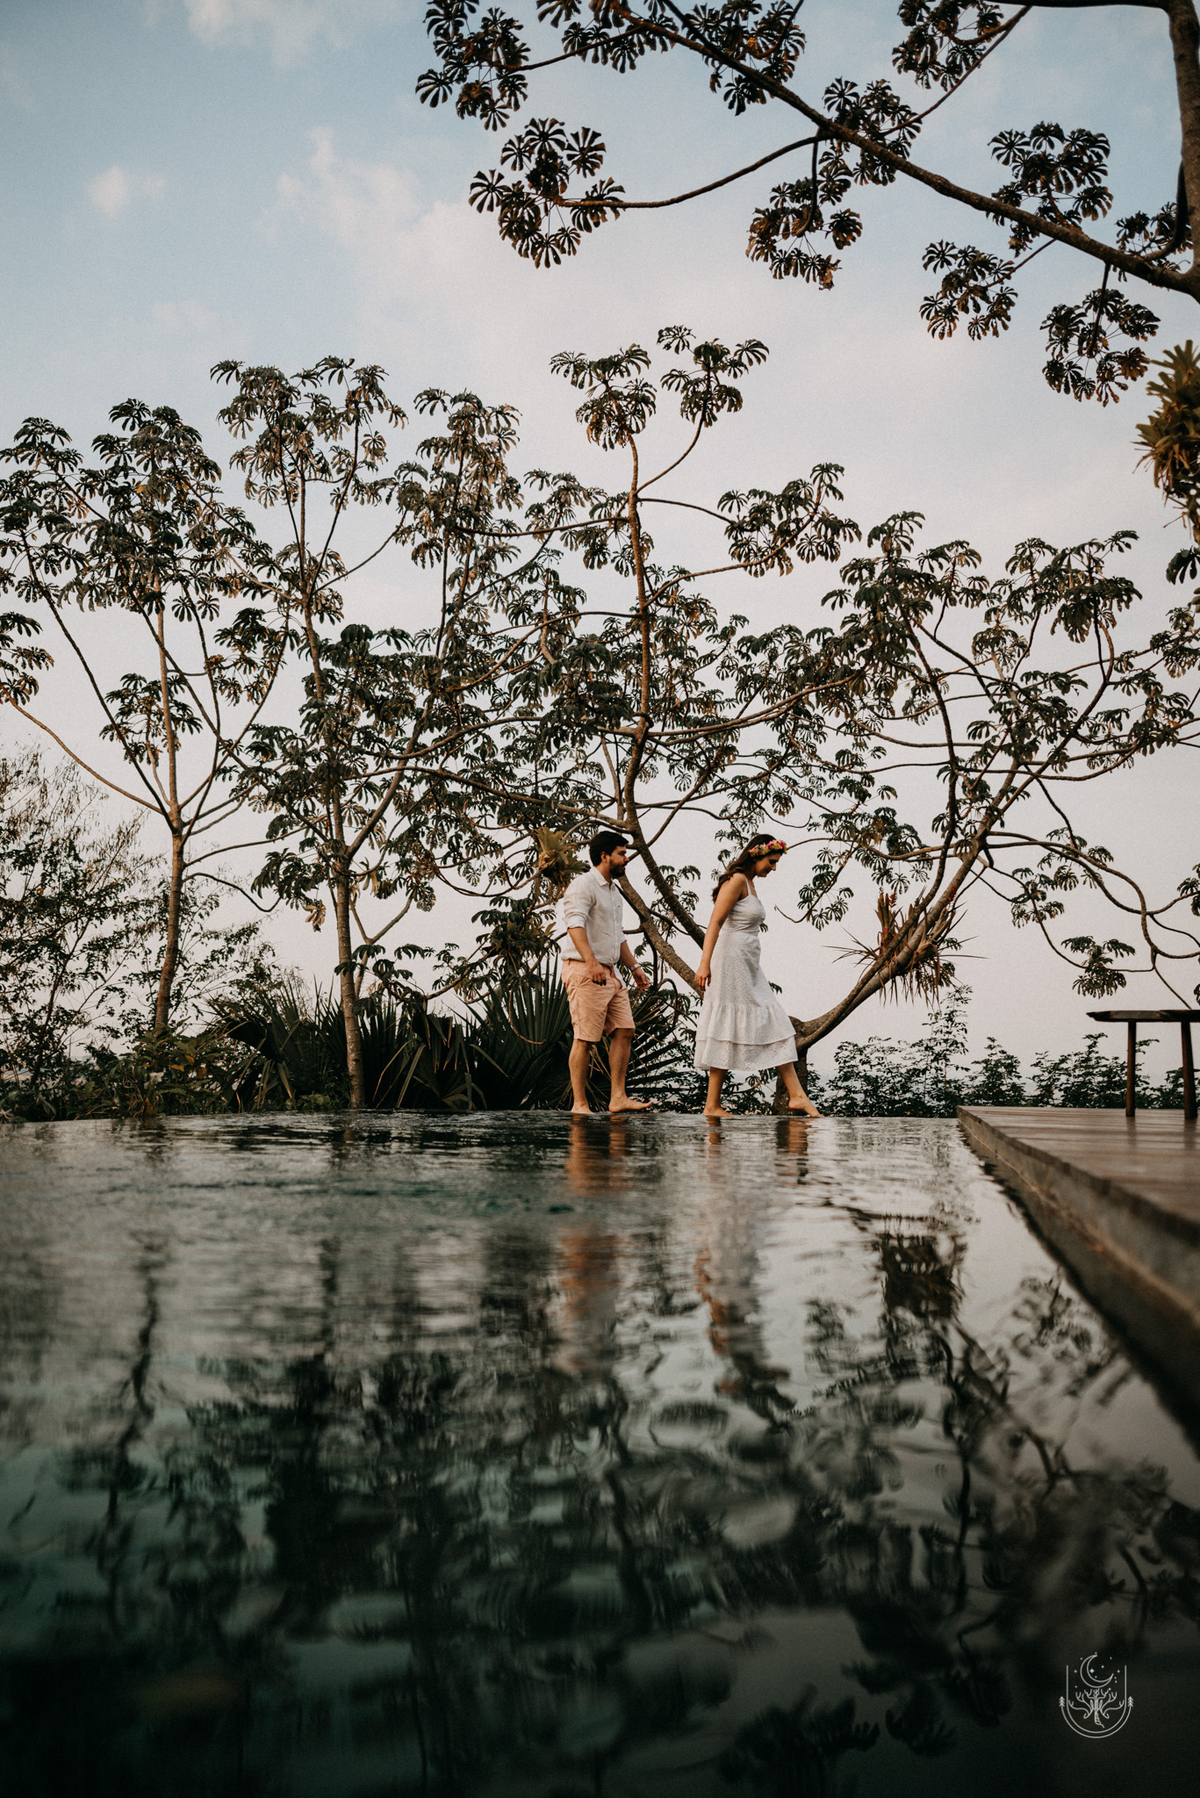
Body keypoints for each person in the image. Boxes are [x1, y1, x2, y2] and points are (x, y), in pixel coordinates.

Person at [694, 834, 821, 1119]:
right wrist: (704, 964)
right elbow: (714, 922)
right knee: (740, 1021)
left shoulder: (750, 883)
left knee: (773, 1021)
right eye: (771, 862)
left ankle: (796, 1095)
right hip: (730, 960)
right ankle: (713, 1104)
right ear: (756, 854)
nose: (773, 868)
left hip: (748, 962)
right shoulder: (737, 880)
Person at [560, 830, 653, 1116]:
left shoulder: (613, 891)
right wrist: (591, 963)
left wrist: (634, 967)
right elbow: (574, 924)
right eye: (622, 854)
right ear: (605, 856)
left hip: (611, 973)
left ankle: (618, 1098)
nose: (626, 858)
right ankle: (580, 1104)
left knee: (625, 1030)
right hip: (585, 969)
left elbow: (617, 936)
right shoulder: (583, 885)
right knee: (585, 1038)